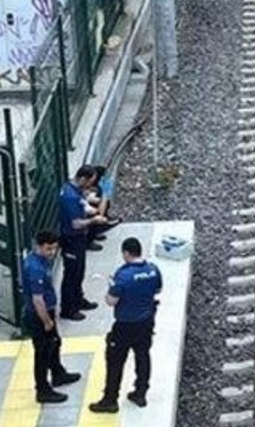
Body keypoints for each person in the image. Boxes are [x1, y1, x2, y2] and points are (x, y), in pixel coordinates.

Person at [88, 238, 163, 414]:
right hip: (146, 322)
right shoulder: (153, 270)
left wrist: (110, 286)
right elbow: (158, 290)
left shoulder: (123, 275)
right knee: (143, 356)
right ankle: (140, 392)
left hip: (125, 326)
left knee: (115, 362)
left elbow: (111, 301)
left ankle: (110, 399)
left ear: (126, 253)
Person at [22, 231, 80, 404]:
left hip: (47, 311)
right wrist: (47, 321)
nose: (52, 252)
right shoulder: (35, 268)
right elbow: (37, 300)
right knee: (42, 352)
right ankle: (42, 389)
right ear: (38, 246)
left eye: (54, 248)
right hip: (40, 316)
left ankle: (58, 373)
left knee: (54, 343)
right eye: (48, 248)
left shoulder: (42, 261)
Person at [59, 165, 107, 320]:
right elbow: (75, 223)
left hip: (77, 238)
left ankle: (78, 300)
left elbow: (82, 203)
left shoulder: (71, 189)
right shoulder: (69, 197)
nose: (90, 186)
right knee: (72, 274)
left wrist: (88, 209)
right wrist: (94, 220)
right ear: (82, 178)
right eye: (90, 182)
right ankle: (68, 309)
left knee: (79, 272)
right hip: (71, 238)